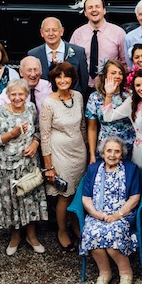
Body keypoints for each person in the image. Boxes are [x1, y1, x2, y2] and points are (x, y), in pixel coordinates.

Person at [0, 80, 49, 256]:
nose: (17, 98)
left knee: (29, 198)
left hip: (28, 164)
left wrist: (35, 144)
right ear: (8, 96)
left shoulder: (31, 108)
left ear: (26, 95)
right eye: (13, 94)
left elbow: (37, 130)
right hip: (5, 165)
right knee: (11, 200)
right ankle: (14, 236)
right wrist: (11, 134)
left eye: (21, 94)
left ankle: (31, 235)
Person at [79, 134, 142, 284]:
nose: (112, 155)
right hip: (98, 215)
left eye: (117, 151)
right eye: (109, 151)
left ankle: (126, 272)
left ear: (122, 153)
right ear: (102, 153)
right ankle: (105, 273)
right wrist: (96, 214)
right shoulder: (93, 169)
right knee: (91, 233)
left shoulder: (131, 169)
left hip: (122, 215)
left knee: (112, 239)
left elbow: (135, 198)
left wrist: (118, 215)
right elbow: (86, 198)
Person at [39, 62, 88, 251]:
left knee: (79, 192)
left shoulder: (79, 96)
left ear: (72, 79)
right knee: (65, 195)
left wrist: (87, 150)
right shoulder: (49, 102)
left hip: (79, 152)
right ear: (53, 80)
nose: (62, 80)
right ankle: (62, 231)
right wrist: (49, 166)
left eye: (66, 76)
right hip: (60, 154)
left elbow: (82, 125)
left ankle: (76, 225)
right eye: (58, 77)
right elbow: (44, 135)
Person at [71, 0, 128, 84]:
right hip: (84, 86)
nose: (94, 10)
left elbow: (125, 63)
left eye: (97, 6)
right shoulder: (78, 34)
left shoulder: (118, 33)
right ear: (85, 13)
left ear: (104, 10)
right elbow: (71, 62)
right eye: (90, 7)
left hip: (111, 86)